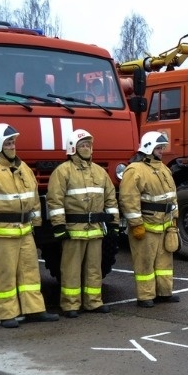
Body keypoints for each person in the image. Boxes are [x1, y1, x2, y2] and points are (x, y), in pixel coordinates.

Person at [0, 124, 59, 328]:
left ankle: (34, 310)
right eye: (8, 143)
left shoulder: (22, 167)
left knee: (30, 272)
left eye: (13, 142)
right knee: (4, 274)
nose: (12, 146)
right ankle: (6, 313)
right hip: (1, 233)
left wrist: (37, 224)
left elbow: (34, 197)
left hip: (25, 232)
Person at [46, 129, 119, 317]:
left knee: (94, 269)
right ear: (73, 148)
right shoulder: (62, 171)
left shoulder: (100, 172)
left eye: (88, 145)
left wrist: (114, 224)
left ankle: (93, 302)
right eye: (82, 145)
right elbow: (55, 201)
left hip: (95, 230)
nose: (86, 148)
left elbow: (111, 199)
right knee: (71, 269)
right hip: (73, 230)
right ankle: (70, 305)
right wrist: (59, 226)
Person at [120, 131, 181, 307]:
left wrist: (174, 219)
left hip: (165, 225)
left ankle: (164, 293)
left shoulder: (164, 169)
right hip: (146, 227)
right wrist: (136, 224)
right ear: (148, 148)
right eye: (159, 147)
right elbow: (128, 199)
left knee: (164, 263)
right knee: (145, 263)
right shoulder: (135, 170)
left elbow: (172, 196)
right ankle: (145, 296)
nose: (162, 150)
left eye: (162, 147)